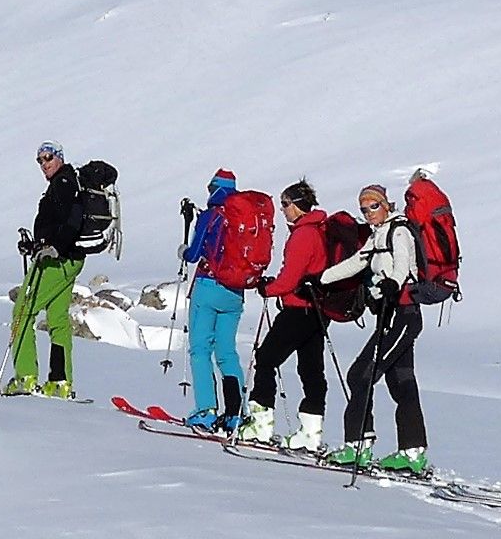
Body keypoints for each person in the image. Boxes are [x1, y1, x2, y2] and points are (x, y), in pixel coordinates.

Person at [319, 181, 430, 474]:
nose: (369, 212)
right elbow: (357, 262)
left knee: (360, 375)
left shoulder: (399, 230)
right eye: (364, 208)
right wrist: (321, 279)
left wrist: (393, 283)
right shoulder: (378, 235)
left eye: (374, 206)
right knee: (402, 381)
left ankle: (358, 446)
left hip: (402, 315)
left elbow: (404, 264)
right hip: (391, 315)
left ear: (385, 204)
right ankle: (412, 452)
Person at [242, 180, 330, 448]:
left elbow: (291, 278)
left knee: (266, 359)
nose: (283, 210)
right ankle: (311, 431)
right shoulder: (318, 229)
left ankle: (261, 424)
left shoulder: (304, 234)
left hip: (298, 310)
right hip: (317, 310)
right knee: (311, 369)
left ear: (298, 205)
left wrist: (268, 288)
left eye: (286, 204)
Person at [0, 142, 91, 399]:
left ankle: (25, 377)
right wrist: (35, 244)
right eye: (39, 160)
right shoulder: (66, 183)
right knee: (58, 319)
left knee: (22, 311)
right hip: (67, 259)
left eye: (48, 158)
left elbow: (72, 221)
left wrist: (54, 247)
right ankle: (60, 382)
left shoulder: (63, 184)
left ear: (59, 158)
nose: (44, 164)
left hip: (57, 261)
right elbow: (58, 224)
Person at [179, 170, 251, 430]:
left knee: (200, 350)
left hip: (208, 286)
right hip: (235, 292)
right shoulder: (243, 218)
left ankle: (206, 410)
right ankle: (236, 413)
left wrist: (184, 250)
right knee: (227, 353)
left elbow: (195, 253)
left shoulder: (211, 216)